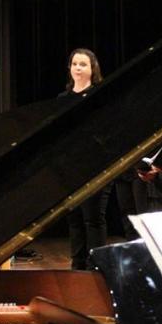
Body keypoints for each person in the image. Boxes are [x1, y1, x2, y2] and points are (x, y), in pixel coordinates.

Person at [58, 48, 108, 270]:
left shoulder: (100, 95)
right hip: (70, 167)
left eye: (83, 64)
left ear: (92, 69)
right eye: (74, 64)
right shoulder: (63, 99)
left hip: (94, 165)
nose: (77, 68)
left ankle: (97, 267)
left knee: (93, 218)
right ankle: (77, 266)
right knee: (75, 220)